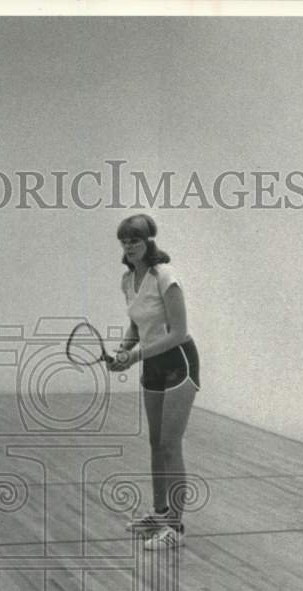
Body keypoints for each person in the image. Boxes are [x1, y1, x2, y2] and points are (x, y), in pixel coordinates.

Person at [108, 214, 200, 550]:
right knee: (154, 443)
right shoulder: (128, 280)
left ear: (149, 241)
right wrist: (124, 349)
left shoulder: (165, 276)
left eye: (135, 240)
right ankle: (159, 514)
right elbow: (137, 325)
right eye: (125, 241)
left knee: (170, 446)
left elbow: (179, 332)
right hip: (152, 366)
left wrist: (135, 356)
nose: (129, 246)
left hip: (179, 364)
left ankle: (174, 528)